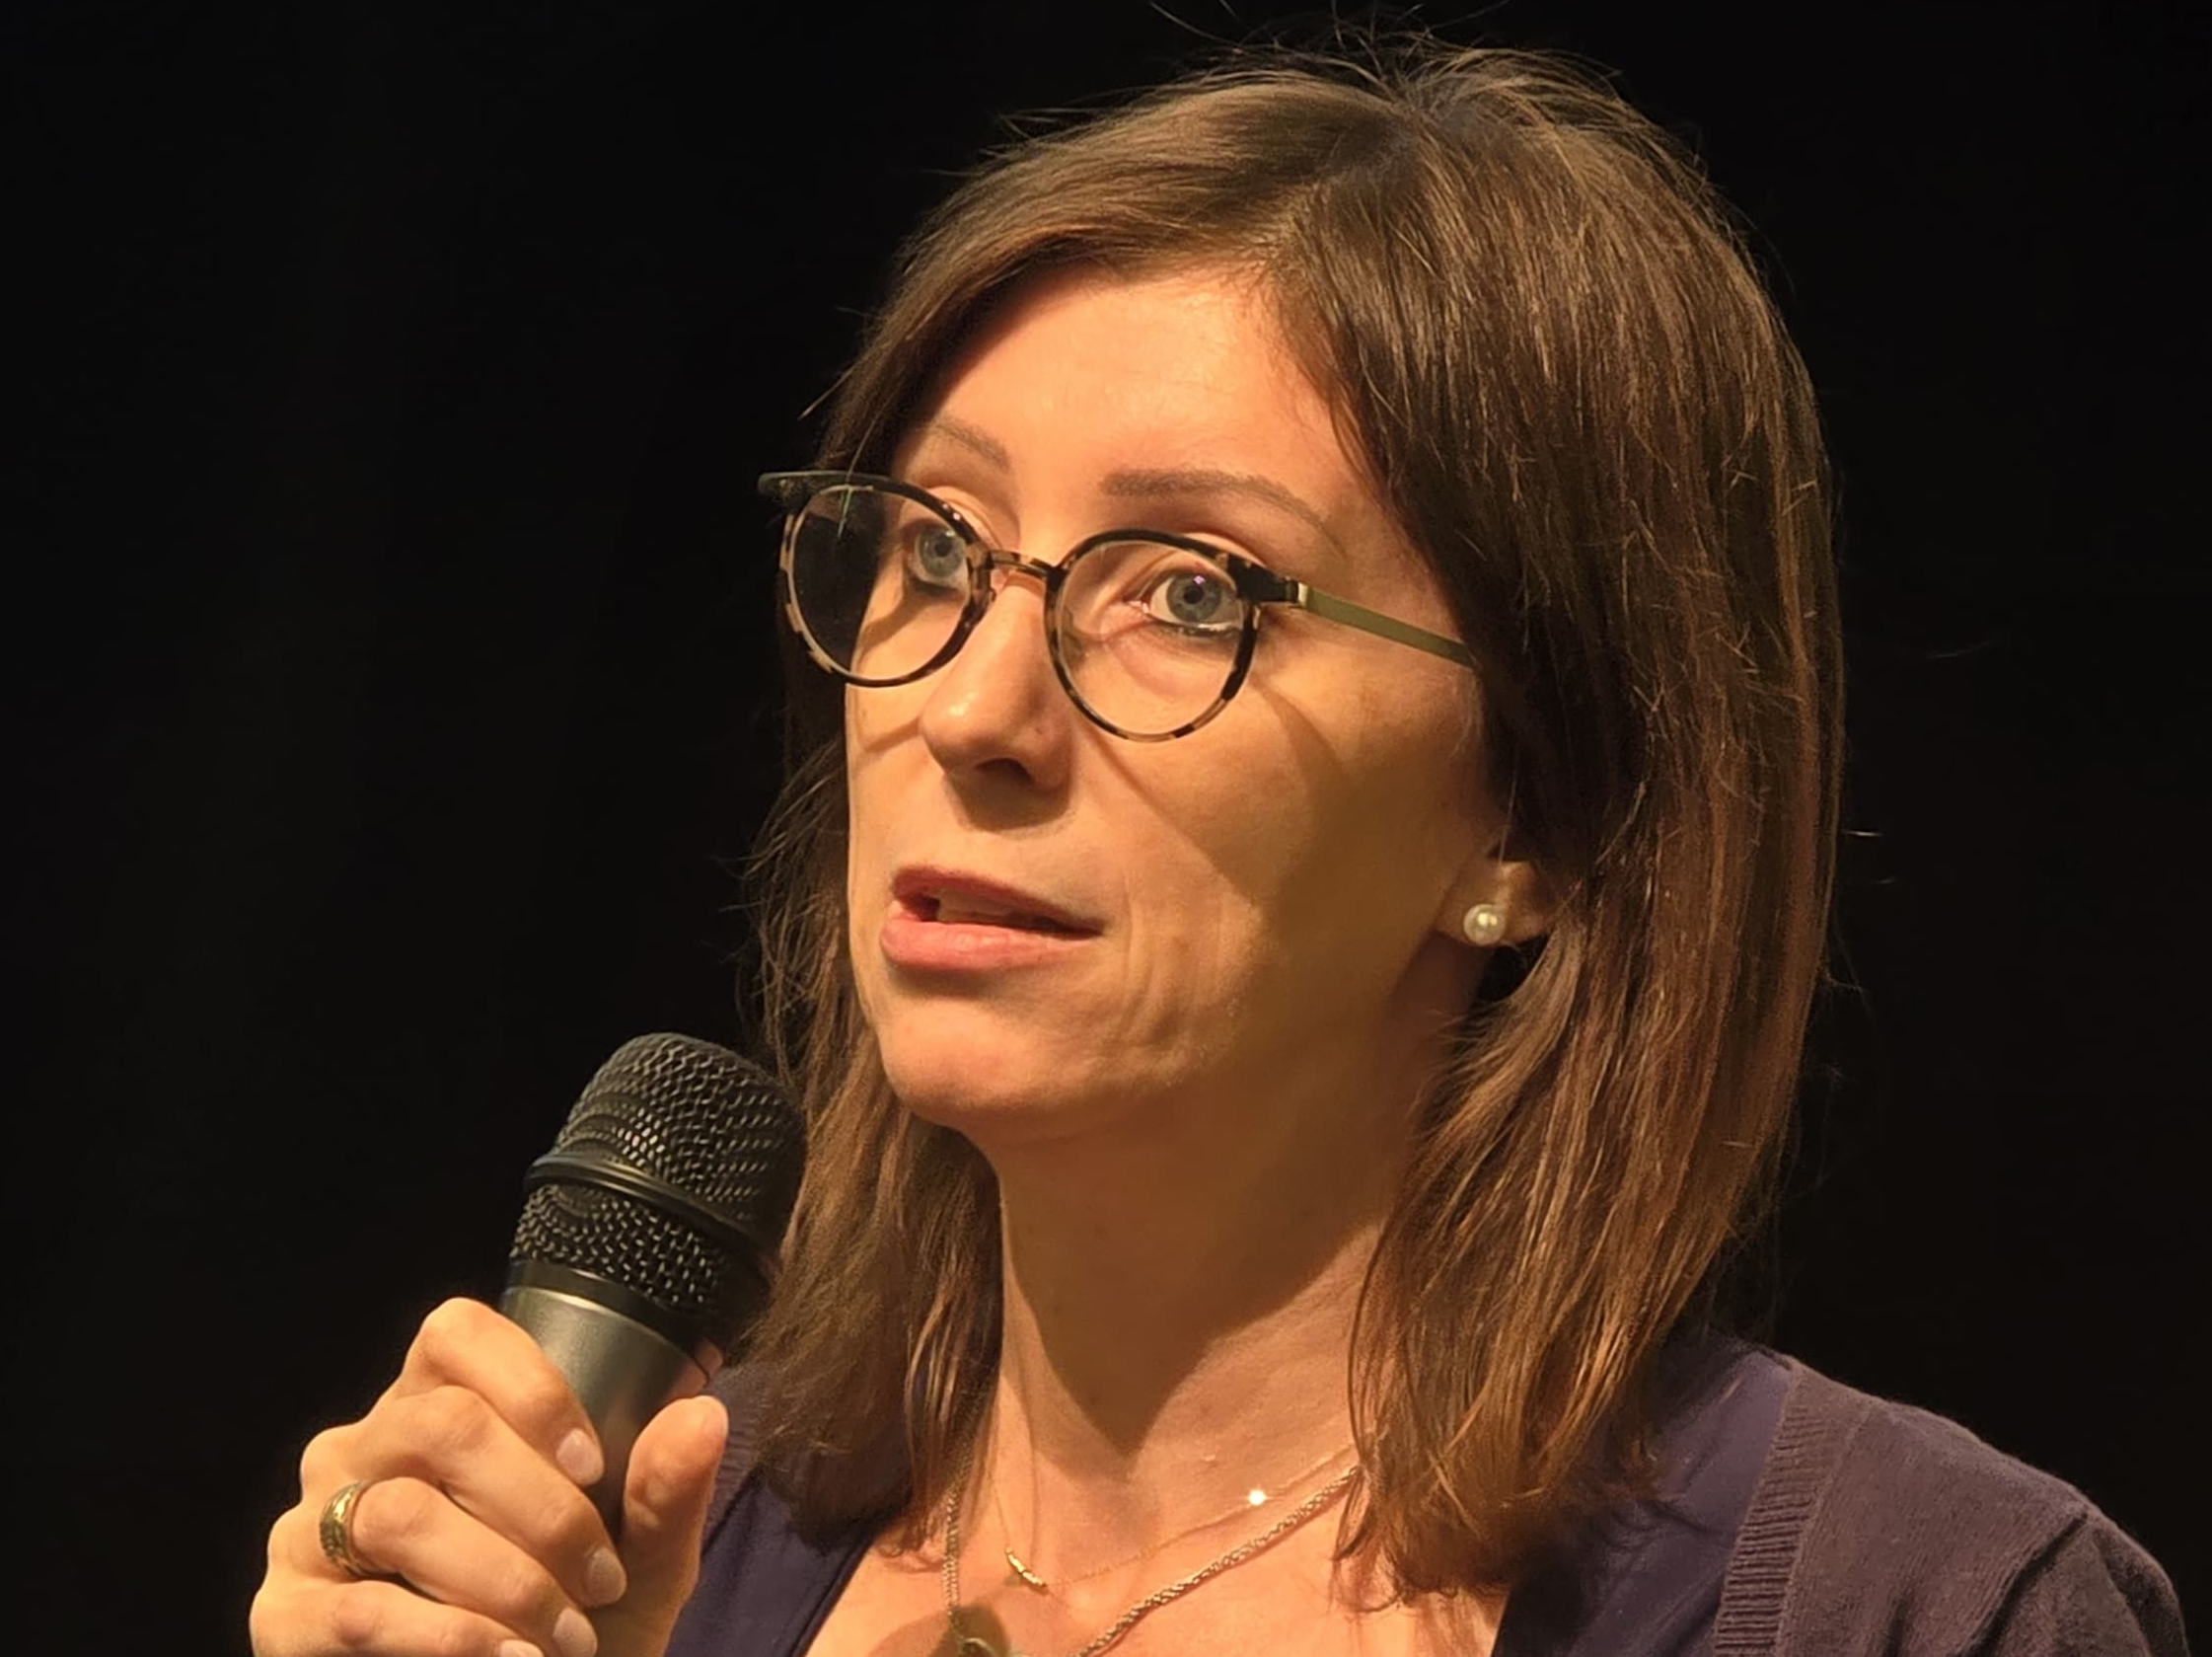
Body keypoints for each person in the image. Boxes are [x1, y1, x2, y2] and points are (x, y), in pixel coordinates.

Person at [249, 38, 2187, 1657]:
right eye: (934, 547)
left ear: (1539, 818)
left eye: (1188, 593)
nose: (971, 711)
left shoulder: (1917, 1604)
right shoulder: (631, 1564)